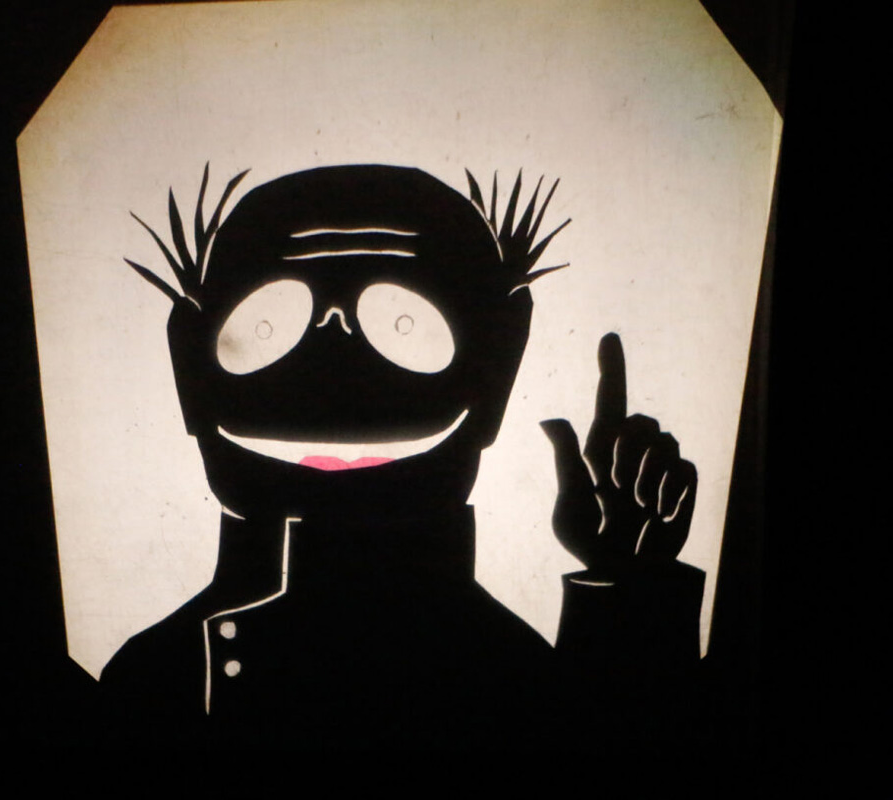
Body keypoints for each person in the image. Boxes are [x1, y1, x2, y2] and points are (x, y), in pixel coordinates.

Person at [101, 164, 704, 747]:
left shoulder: (510, 679)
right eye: (266, 327)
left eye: (405, 325)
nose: (338, 374)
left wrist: (628, 594)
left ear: (498, 367)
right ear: (189, 364)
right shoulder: (151, 681)